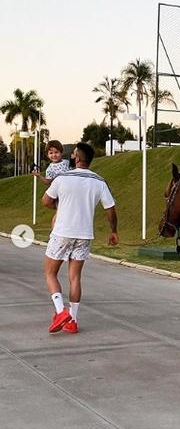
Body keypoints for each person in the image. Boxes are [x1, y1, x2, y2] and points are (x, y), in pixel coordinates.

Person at [42, 142, 118, 334]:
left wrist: (60, 207)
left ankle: (60, 312)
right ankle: (73, 320)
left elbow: (46, 201)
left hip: (62, 232)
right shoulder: (99, 181)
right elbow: (110, 210)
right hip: (84, 235)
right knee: (75, 277)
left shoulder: (62, 178)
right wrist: (113, 231)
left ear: (76, 158)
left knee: (50, 273)